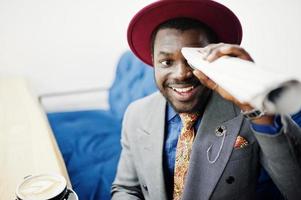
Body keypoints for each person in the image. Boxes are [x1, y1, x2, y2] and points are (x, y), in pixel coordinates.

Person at [111, 0, 301, 199]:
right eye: (166, 62)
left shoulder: (250, 112)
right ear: (153, 62)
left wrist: (255, 107)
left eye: (193, 61)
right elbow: (127, 189)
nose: (182, 74)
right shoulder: (136, 113)